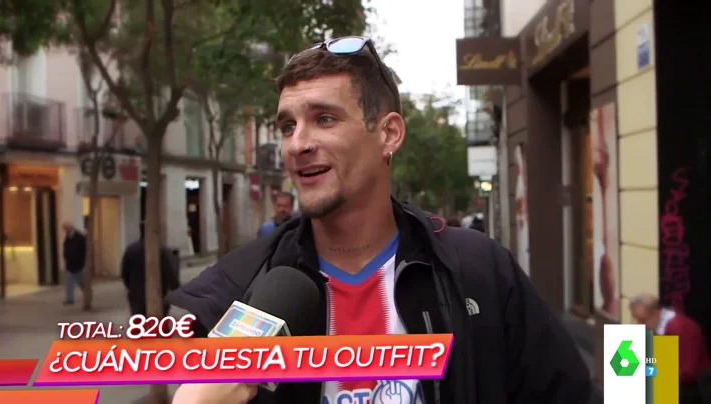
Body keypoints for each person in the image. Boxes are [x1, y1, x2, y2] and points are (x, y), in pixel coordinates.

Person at [169, 36, 590, 404]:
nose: (298, 144)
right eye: (286, 126)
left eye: (324, 119)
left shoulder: (479, 272)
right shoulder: (235, 293)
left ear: (388, 134)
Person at [629, 294, 711, 403]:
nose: (639, 325)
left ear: (656, 313)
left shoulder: (678, 328)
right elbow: (654, 360)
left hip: (693, 389)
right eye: (637, 320)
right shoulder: (658, 328)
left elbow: (687, 373)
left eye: (642, 321)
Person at [121, 222, 180, 317]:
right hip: (158, 294)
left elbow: (124, 273)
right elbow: (169, 273)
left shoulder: (131, 250)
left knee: (138, 323)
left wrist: (131, 287)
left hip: (136, 295)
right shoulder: (161, 250)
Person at [62, 221, 87, 305]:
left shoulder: (79, 237)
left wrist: (82, 261)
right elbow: (66, 248)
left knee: (81, 282)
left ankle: (87, 294)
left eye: (66, 229)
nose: (65, 231)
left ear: (70, 228)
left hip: (78, 264)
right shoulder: (68, 237)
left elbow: (83, 251)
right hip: (70, 264)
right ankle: (69, 299)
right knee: (69, 283)